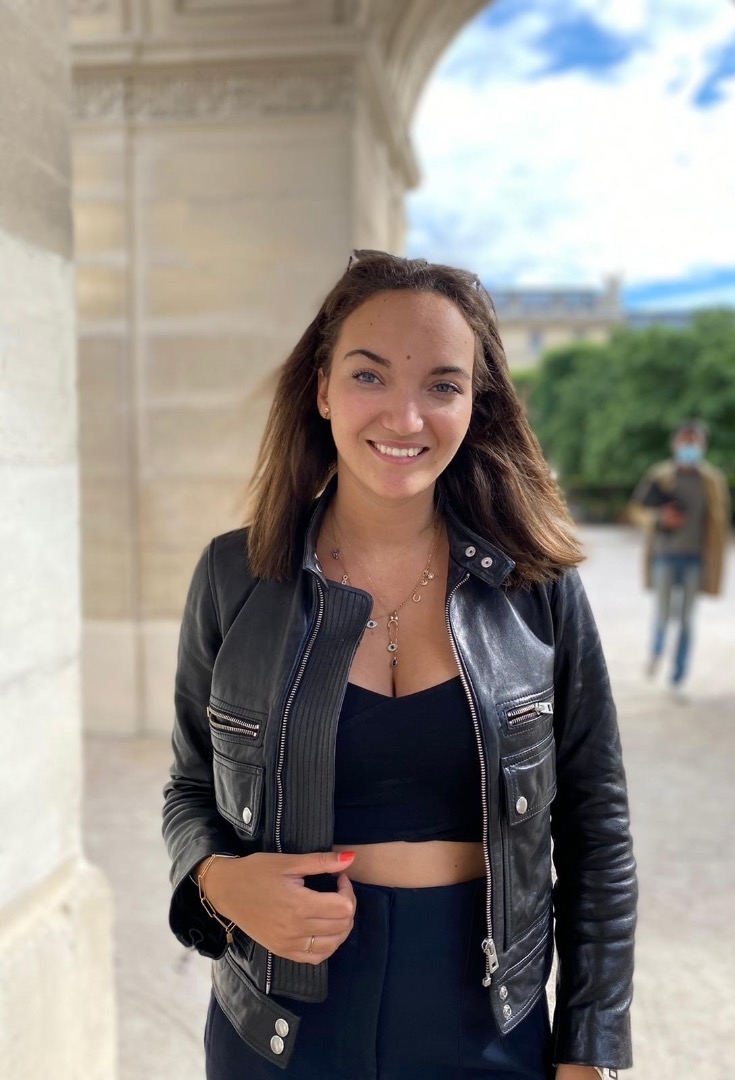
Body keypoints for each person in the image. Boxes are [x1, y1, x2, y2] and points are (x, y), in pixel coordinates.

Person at [162, 250, 637, 1080]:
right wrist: (218, 884)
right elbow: (189, 787)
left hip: (488, 1020)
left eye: (442, 385)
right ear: (322, 389)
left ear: (476, 405)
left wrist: (590, 1050)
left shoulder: (539, 589)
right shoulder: (235, 577)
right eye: (369, 375)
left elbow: (597, 829)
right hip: (279, 1022)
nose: (405, 416)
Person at [629, 420, 730, 696]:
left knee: (686, 620)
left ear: (703, 445)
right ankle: (656, 652)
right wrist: (660, 518)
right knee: (662, 614)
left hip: (695, 559)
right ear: (674, 443)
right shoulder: (660, 475)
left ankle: (678, 678)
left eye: (694, 440)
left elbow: (720, 524)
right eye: (684, 440)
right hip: (664, 556)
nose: (689, 446)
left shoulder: (712, 481)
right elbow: (636, 511)